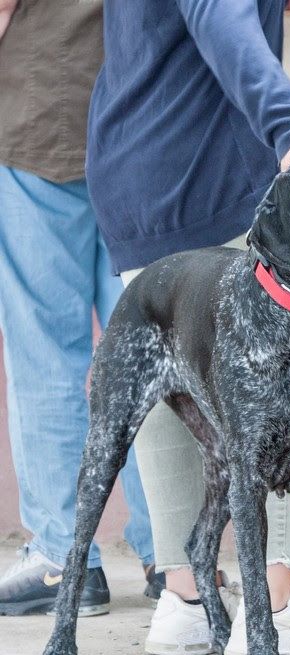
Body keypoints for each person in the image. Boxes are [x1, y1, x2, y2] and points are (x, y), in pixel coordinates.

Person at [87, 0, 290, 655]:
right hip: (210, 166)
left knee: (170, 376)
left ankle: (185, 601)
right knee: (282, 376)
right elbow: (219, 15)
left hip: (132, 163)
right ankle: (276, 605)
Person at [0, 0, 163, 616]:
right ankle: (172, 559)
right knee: (153, 353)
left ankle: (63, 560)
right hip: (142, 118)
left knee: (45, 350)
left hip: (42, 112)